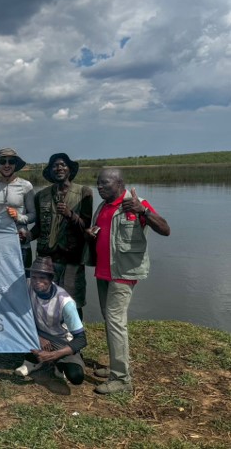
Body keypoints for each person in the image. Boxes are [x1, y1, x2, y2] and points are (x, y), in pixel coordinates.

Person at [85, 168, 170, 394]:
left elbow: (165, 229)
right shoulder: (103, 207)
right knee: (110, 318)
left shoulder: (136, 203)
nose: (99, 187)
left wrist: (144, 212)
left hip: (124, 273)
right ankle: (117, 366)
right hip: (104, 272)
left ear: (120, 183)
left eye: (105, 183)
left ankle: (122, 379)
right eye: (98, 183)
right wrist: (91, 234)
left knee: (115, 321)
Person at [29, 153, 92, 320]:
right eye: (55, 166)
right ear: (50, 171)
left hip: (72, 259)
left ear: (69, 170)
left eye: (63, 165)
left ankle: (76, 341)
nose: (59, 168)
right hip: (47, 259)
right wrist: (26, 236)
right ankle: (52, 337)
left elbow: (86, 227)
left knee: (73, 303)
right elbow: (39, 228)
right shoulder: (40, 195)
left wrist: (70, 214)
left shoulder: (84, 193)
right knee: (46, 300)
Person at [14, 257, 86, 387]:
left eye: (42, 278)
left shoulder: (65, 302)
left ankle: (56, 360)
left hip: (61, 339)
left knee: (76, 376)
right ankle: (33, 359)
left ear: (51, 279)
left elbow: (81, 339)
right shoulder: (27, 284)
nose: (37, 282)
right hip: (37, 332)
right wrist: (37, 336)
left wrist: (54, 355)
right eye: (34, 277)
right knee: (12, 325)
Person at [0, 148, 36, 265]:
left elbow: (33, 215)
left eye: (11, 161)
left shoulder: (26, 186)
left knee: (24, 281)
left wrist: (19, 217)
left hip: (20, 243)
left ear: (15, 164)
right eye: (3, 162)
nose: (7, 165)